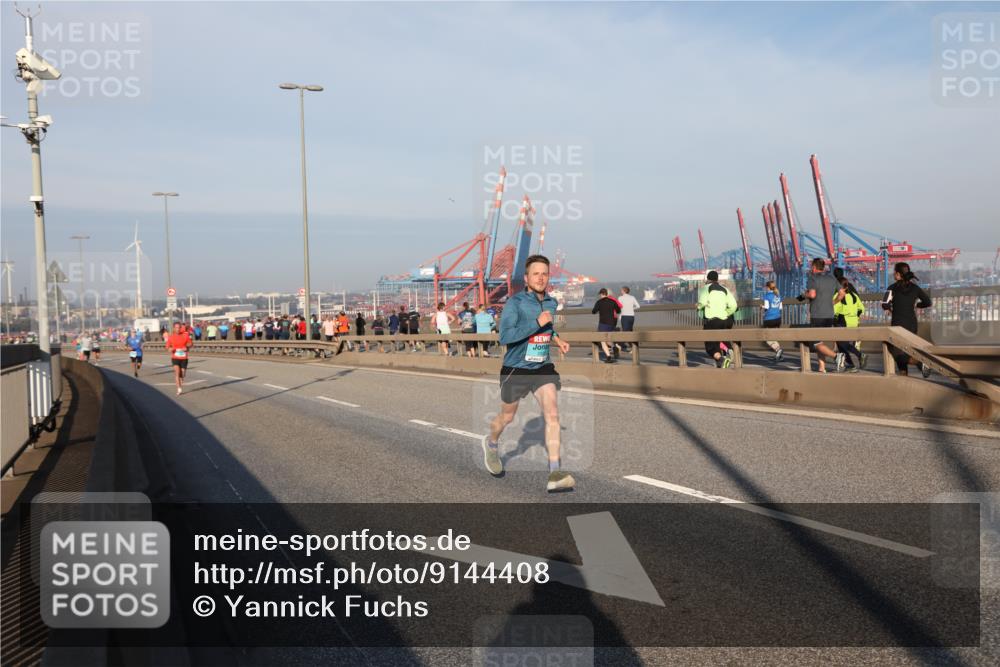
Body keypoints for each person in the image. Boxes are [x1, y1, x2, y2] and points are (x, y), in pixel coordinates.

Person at [484, 254, 574, 493]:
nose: (541, 278)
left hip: (542, 367)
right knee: (507, 418)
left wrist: (557, 339)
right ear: (526, 278)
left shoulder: (552, 303)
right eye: (536, 273)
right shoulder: (515, 303)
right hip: (516, 368)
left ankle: (555, 471)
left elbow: (548, 326)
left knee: (552, 414)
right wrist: (536, 321)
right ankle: (492, 444)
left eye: (545, 273)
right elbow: (506, 337)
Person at [882, 261, 932, 377]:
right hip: (912, 324)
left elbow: (884, 303)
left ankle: (917, 364)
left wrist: (889, 308)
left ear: (898, 274)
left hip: (898, 324)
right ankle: (907, 371)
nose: (894, 274)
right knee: (908, 349)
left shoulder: (892, 288)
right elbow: (928, 302)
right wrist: (916, 305)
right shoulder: (915, 288)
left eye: (895, 272)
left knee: (896, 350)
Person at [798, 258, 843, 373]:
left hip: (818, 315)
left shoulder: (813, 278)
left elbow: (812, 294)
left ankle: (836, 357)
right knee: (820, 342)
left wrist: (805, 294)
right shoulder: (831, 278)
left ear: (814, 267)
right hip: (829, 315)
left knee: (815, 342)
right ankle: (821, 367)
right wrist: (833, 302)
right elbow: (842, 293)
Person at [697, 271, 738, 368]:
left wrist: (698, 306)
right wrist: (726, 313)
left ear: (708, 279)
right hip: (724, 320)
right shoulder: (724, 289)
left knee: (710, 347)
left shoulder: (706, 288)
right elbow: (734, 306)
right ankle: (726, 353)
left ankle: (722, 360)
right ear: (717, 279)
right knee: (719, 340)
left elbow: (701, 303)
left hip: (711, 320)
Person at [834, 277, 866, 372]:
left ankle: (859, 356)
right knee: (842, 345)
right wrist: (855, 316)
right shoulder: (854, 295)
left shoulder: (838, 295)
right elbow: (861, 309)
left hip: (843, 321)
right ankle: (850, 365)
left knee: (842, 344)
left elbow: (834, 310)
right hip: (854, 322)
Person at [591, 288, 621, 363]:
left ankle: (608, 356)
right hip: (612, 323)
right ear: (607, 294)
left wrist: (599, 310)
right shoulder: (613, 301)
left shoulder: (599, 302)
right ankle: (614, 347)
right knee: (608, 338)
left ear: (601, 294)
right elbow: (618, 310)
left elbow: (593, 311)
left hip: (603, 323)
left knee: (603, 340)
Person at [164, 321, 193, 395]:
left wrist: (186, 347)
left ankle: (181, 381)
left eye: (179, 328)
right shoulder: (171, 337)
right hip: (175, 357)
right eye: (176, 328)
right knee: (177, 373)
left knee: (182, 374)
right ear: (173, 328)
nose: (177, 329)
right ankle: (179, 388)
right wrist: (169, 349)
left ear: (180, 328)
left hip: (184, 357)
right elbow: (167, 346)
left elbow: (190, 343)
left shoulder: (185, 335)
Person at [760, 280, 784, 361]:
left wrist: (761, 306)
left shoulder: (767, 295)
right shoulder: (778, 295)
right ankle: (780, 355)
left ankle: (778, 350)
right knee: (774, 337)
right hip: (778, 319)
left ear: (767, 287)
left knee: (767, 338)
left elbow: (766, 307)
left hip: (769, 319)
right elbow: (780, 308)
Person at [618, 287, 640, 352]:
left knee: (625, 333)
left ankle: (632, 347)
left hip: (625, 316)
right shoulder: (632, 297)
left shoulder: (620, 298)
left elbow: (618, 307)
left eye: (621, 290)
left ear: (624, 291)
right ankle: (633, 346)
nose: (620, 291)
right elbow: (638, 306)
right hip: (631, 316)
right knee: (630, 332)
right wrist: (631, 309)